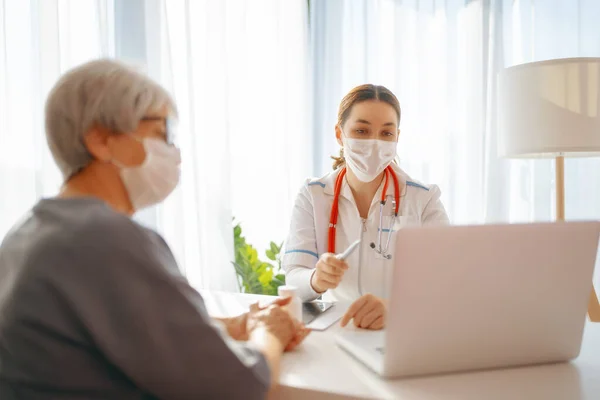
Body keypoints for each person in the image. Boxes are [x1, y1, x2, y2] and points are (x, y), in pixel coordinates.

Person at [0, 59, 309, 399]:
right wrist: (269, 333)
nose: (174, 151)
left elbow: (118, 329)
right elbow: (240, 386)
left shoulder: (28, 232)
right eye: (162, 132)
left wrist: (232, 326)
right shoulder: (106, 238)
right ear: (100, 140)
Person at [282, 84, 449, 330]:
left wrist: (394, 307)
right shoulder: (313, 195)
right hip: (335, 332)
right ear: (340, 134)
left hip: (400, 331)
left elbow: (448, 282)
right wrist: (316, 279)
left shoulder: (424, 199)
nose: (374, 143)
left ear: (397, 138)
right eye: (361, 130)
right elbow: (293, 281)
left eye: (386, 134)